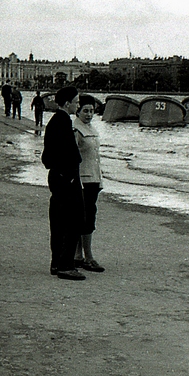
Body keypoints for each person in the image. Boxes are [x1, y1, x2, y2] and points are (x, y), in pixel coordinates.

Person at [41, 86, 86, 281]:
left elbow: (48, 156)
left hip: (60, 177)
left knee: (59, 221)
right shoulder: (62, 122)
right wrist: (67, 175)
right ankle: (66, 265)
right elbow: (57, 155)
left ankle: (57, 262)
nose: (78, 105)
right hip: (65, 178)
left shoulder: (56, 121)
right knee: (74, 220)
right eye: (76, 102)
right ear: (67, 103)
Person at [74, 94, 105, 272]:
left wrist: (100, 180)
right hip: (82, 180)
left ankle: (79, 255)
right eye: (85, 110)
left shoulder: (91, 128)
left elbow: (95, 158)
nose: (89, 114)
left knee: (87, 216)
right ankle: (88, 257)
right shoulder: (76, 129)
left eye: (92, 111)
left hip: (93, 178)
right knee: (85, 218)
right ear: (78, 111)